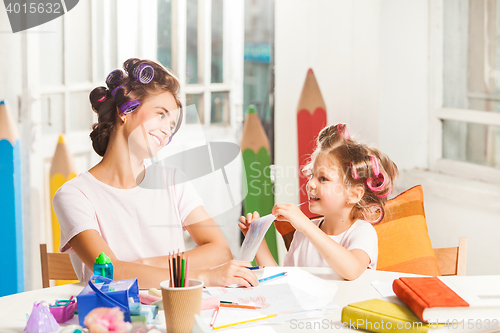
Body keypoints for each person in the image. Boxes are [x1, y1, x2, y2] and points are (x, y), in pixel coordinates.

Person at [53, 58, 258, 288]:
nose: (167, 131)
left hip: (174, 312)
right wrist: (205, 276)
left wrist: (147, 263)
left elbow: (220, 250)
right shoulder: (74, 195)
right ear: (125, 110)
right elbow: (112, 272)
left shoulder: (172, 181)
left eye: (172, 125)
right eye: (161, 114)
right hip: (112, 318)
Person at [239, 124, 398, 280]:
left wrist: (305, 225)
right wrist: (256, 239)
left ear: (354, 194)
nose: (310, 184)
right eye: (311, 176)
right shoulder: (303, 234)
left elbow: (352, 270)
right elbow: (281, 281)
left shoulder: (362, 232)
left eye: (323, 178)